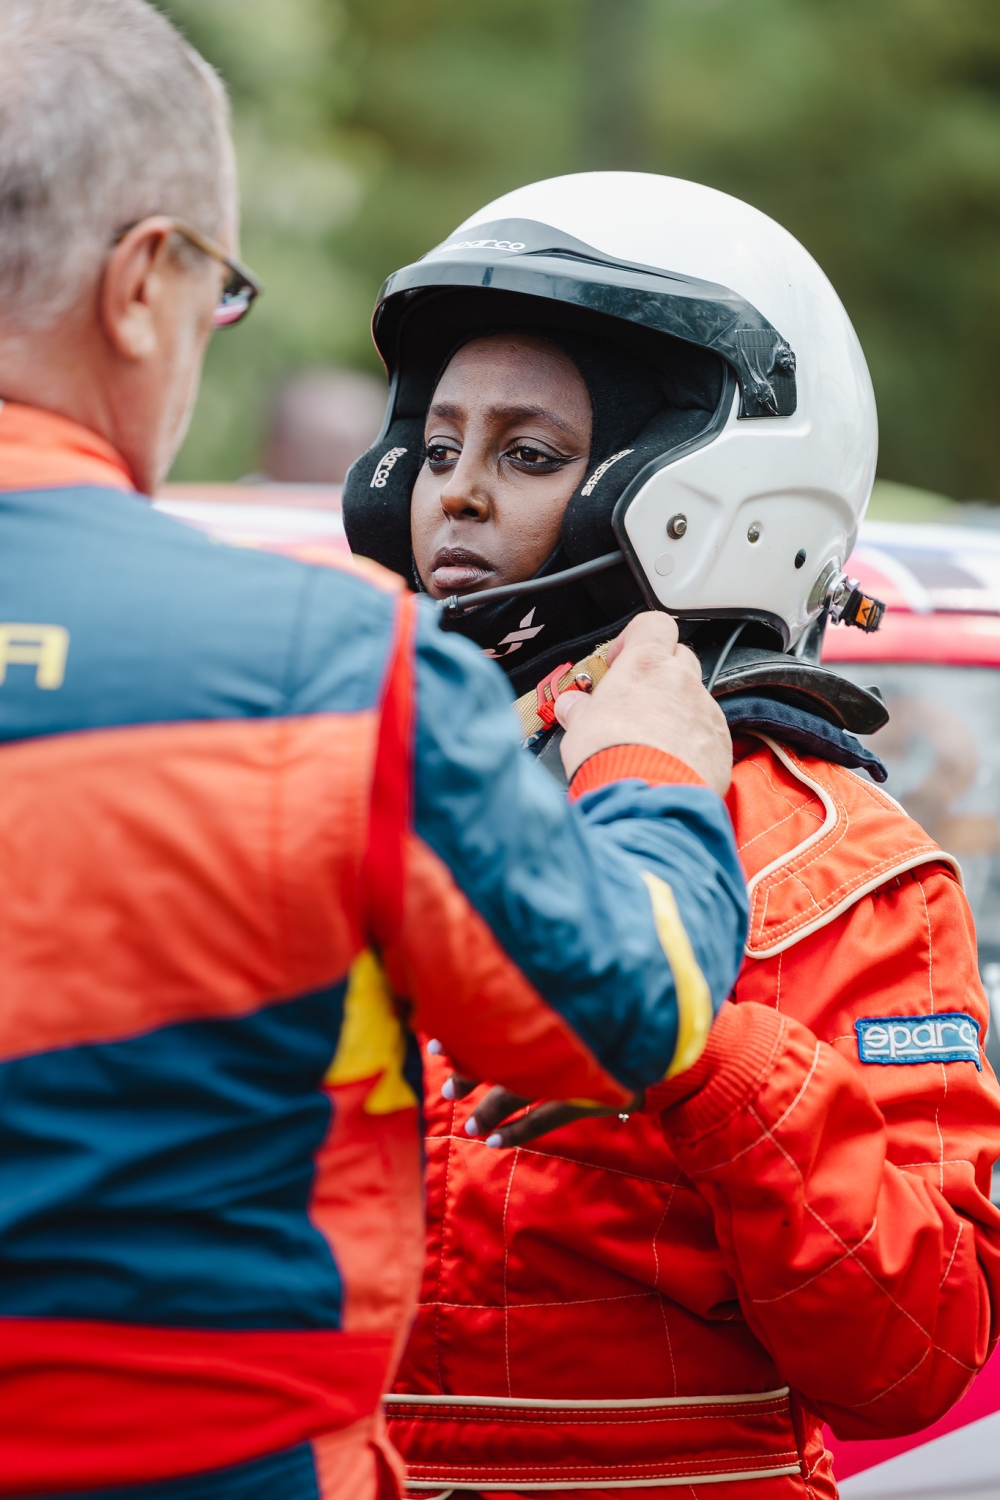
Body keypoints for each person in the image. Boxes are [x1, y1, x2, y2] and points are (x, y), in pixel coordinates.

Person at [0, 17, 748, 1500]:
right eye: (221, 293)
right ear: (144, 284)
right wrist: (653, 779)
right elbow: (626, 1014)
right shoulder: (325, 670)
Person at [342, 173, 1000, 1498]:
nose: (455, 495)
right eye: (442, 445)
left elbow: (915, 1355)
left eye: (528, 454)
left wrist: (700, 1057)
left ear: (721, 496)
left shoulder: (831, 866)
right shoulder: (335, 776)